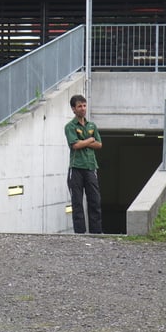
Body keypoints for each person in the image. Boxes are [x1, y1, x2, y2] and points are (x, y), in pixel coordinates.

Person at [64, 94, 103, 234]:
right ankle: (80, 233)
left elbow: (99, 144)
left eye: (84, 105)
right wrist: (89, 140)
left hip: (91, 167)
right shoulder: (70, 126)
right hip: (76, 168)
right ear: (73, 109)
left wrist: (85, 142)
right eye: (79, 106)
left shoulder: (92, 125)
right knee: (77, 202)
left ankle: (96, 232)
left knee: (95, 201)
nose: (83, 108)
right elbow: (75, 145)